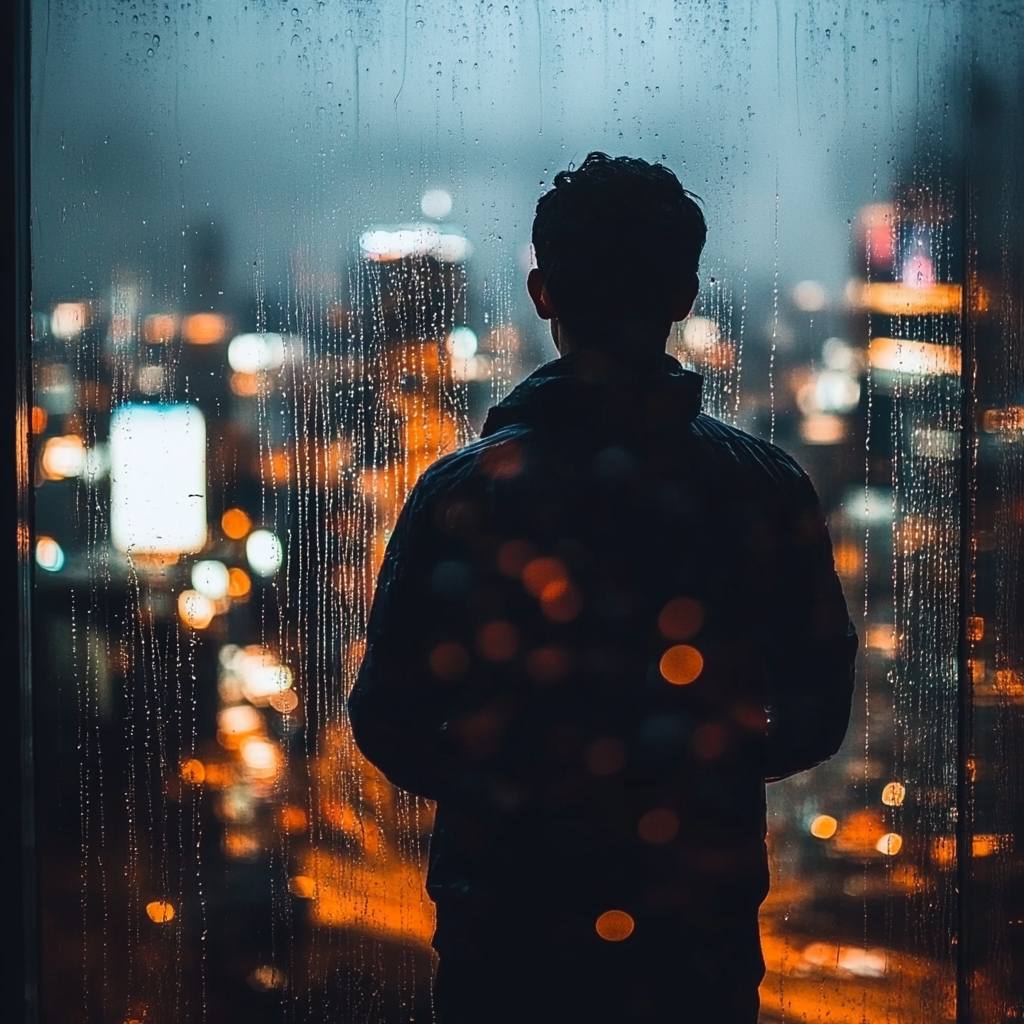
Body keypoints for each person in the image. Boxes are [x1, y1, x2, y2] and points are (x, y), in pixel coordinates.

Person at [349, 152, 857, 1024]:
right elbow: (817, 706)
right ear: (682, 297)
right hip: (694, 930)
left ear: (543, 293)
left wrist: (513, 790)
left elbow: (386, 715)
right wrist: (692, 764)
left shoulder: (463, 492)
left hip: (503, 929)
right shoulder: (763, 487)